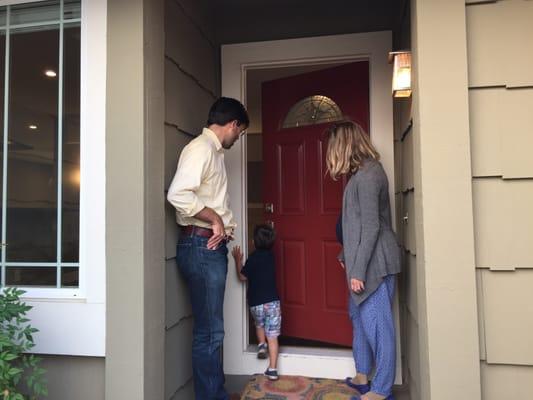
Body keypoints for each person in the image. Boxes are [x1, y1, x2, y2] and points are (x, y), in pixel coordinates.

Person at [167, 97, 249, 400]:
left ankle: (217, 394)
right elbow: (177, 194)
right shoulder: (201, 149)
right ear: (233, 124)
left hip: (207, 246)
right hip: (201, 246)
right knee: (210, 332)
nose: (237, 138)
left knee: (211, 330)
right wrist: (214, 218)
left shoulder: (213, 153)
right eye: (239, 133)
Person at [326, 120, 401, 400]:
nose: (331, 156)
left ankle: (381, 389)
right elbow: (354, 224)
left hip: (376, 265)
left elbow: (371, 227)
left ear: (345, 146)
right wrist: (346, 254)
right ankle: (362, 374)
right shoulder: (360, 175)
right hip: (362, 263)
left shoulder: (370, 176)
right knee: (358, 317)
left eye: (333, 148)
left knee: (378, 326)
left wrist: (358, 270)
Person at [231, 224, 281, 381]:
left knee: (259, 324)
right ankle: (272, 369)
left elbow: (242, 277)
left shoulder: (252, 258)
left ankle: (261, 345)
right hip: (272, 302)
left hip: (256, 303)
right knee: (272, 336)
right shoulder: (271, 257)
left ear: (253, 242)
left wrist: (237, 260)